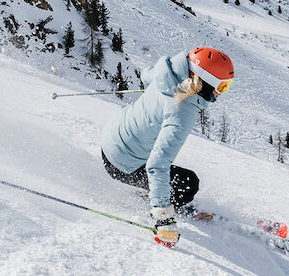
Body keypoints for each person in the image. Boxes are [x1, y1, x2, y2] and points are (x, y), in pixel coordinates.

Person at [100, 47, 235, 247]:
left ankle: (155, 192)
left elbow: (147, 76)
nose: (221, 94)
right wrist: (164, 219)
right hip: (121, 164)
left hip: (111, 137)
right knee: (188, 184)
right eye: (222, 87)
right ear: (205, 82)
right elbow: (157, 165)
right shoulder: (183, 111)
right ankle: (157, 201)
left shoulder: (168, 72)